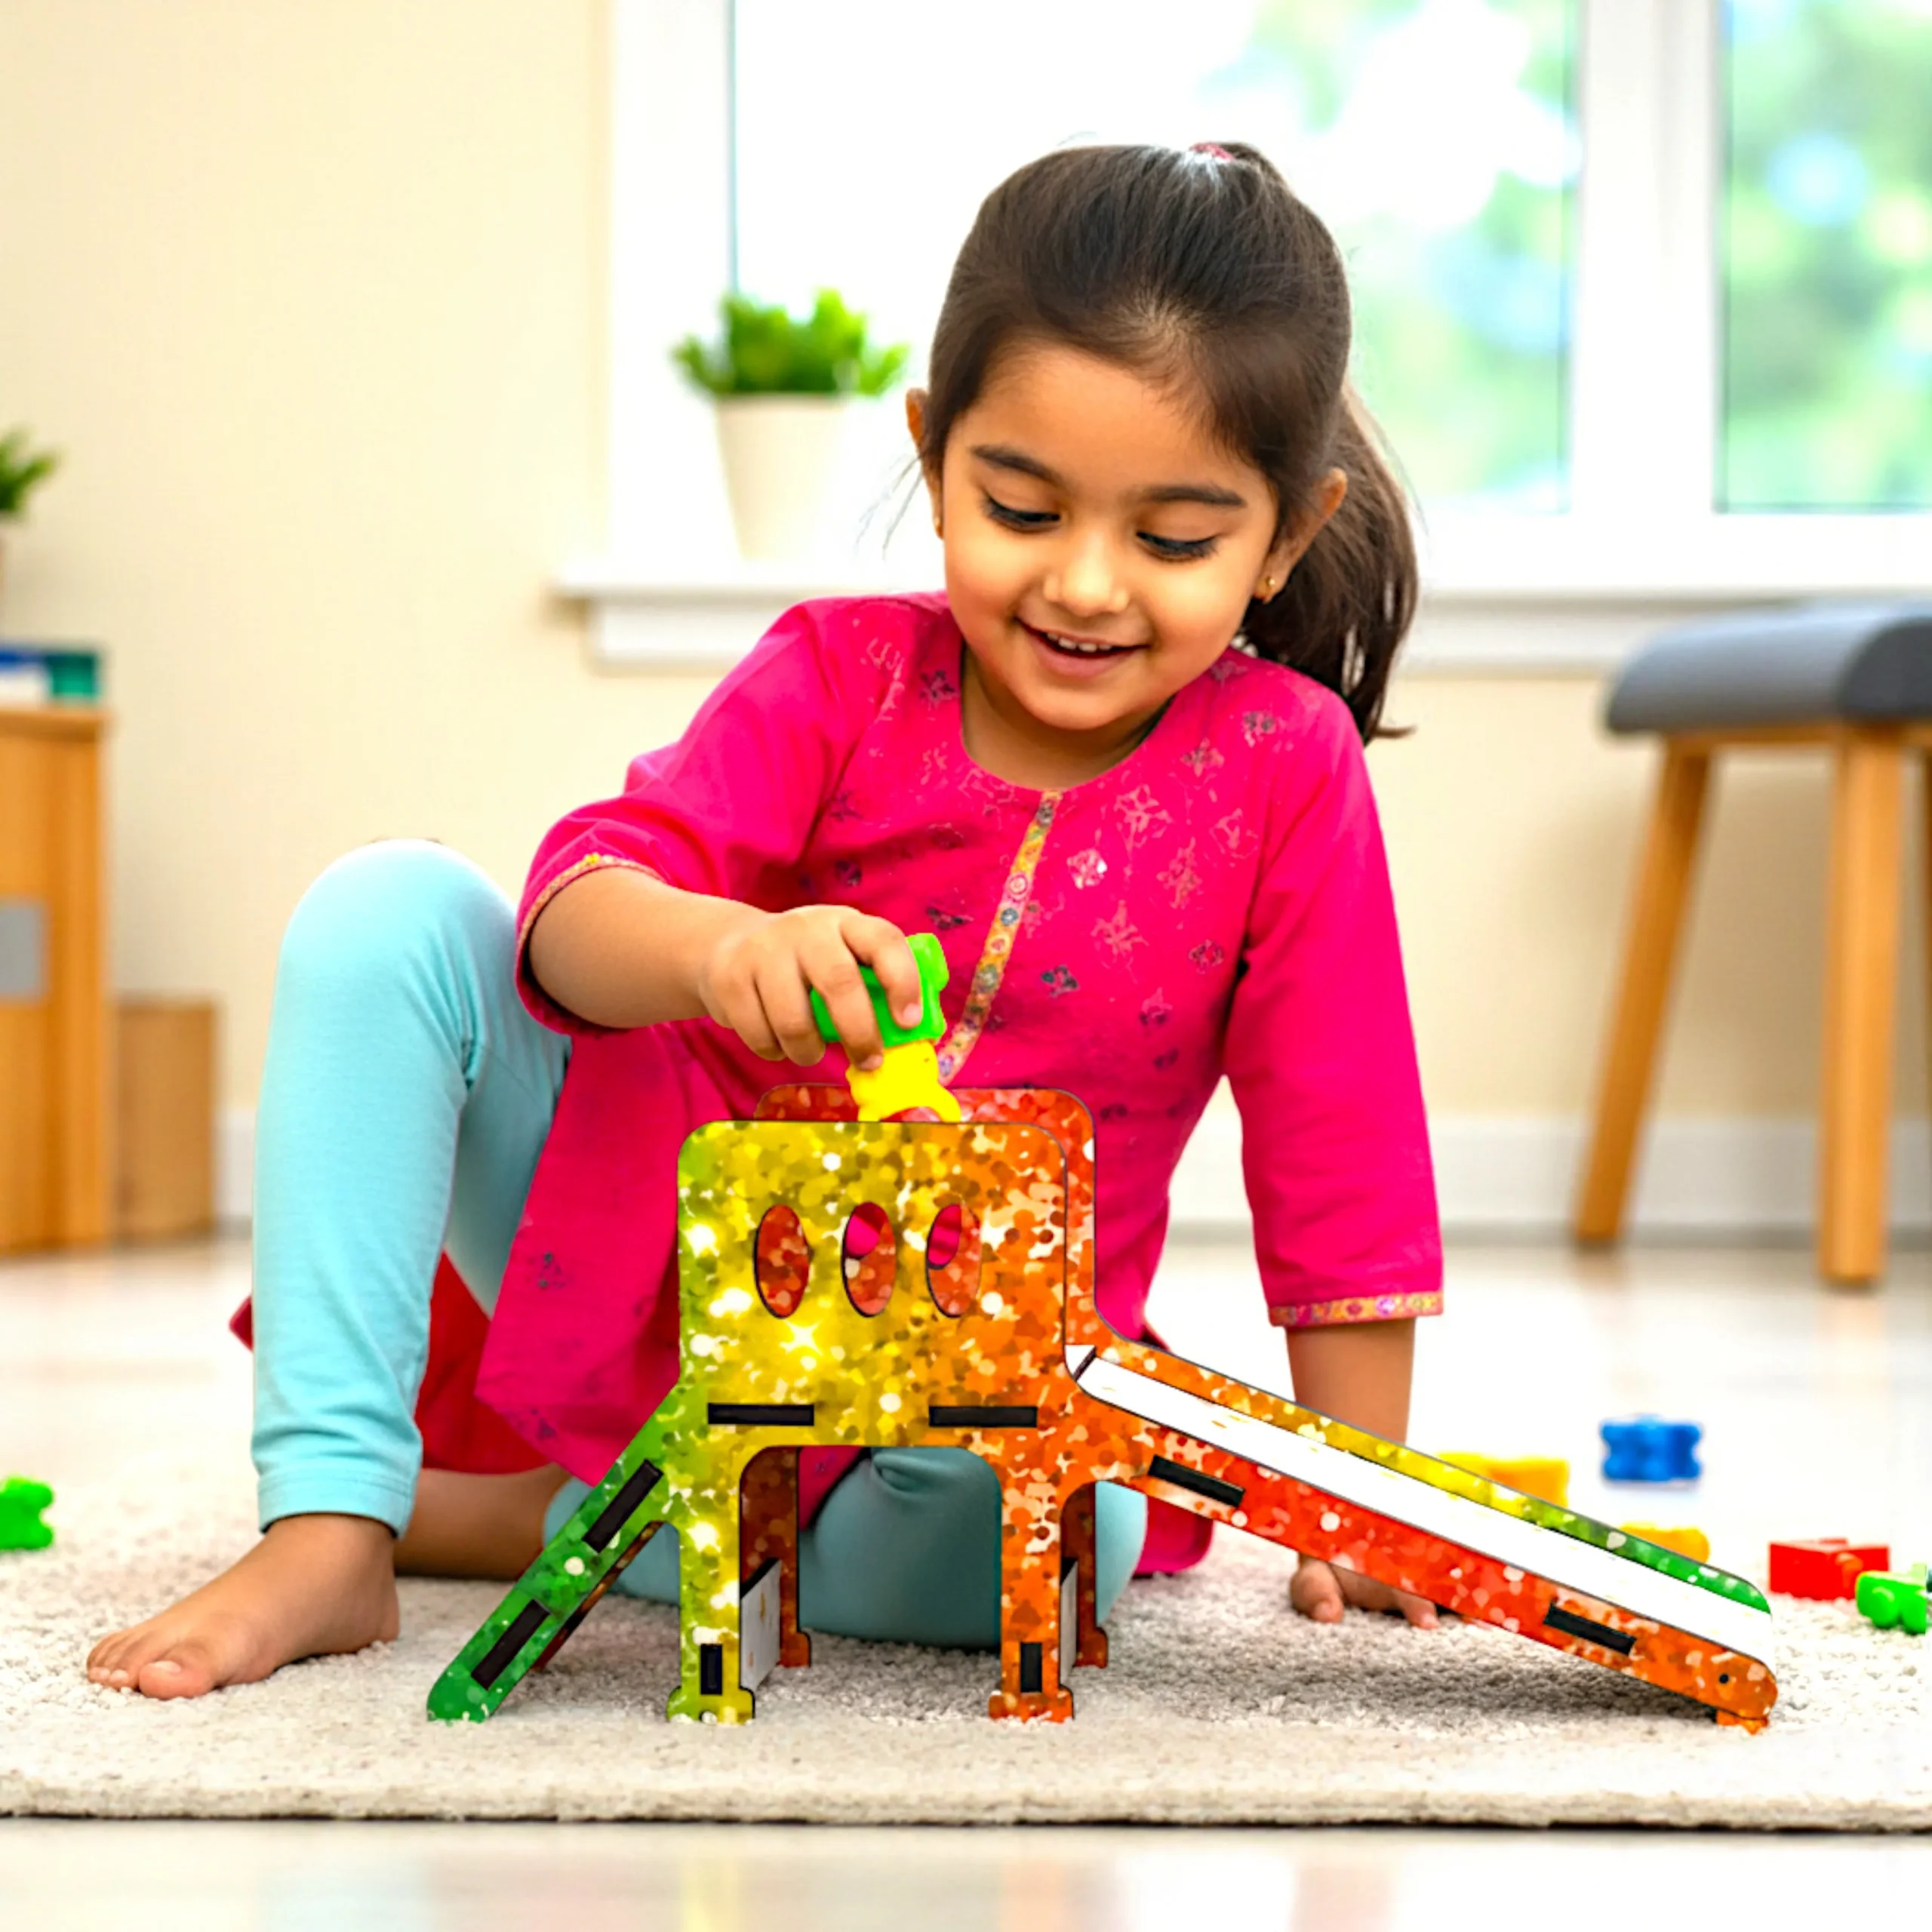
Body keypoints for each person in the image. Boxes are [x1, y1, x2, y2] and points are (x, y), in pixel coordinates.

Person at [88, 141, 1442, 1702]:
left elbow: (1340, 1149)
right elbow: (571, 914)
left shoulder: (1283, 769)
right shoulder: (840, 675)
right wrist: (718, 950)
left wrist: (1365, 1500)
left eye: (1173, 538)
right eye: (1020, 503)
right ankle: (332, 1525)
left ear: (1284, 532)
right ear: (936, 456)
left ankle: (574, 1523)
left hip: (984, 1391)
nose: (1083, 581)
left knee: (1072, 1544)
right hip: (674, 1286)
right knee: (385, 910)